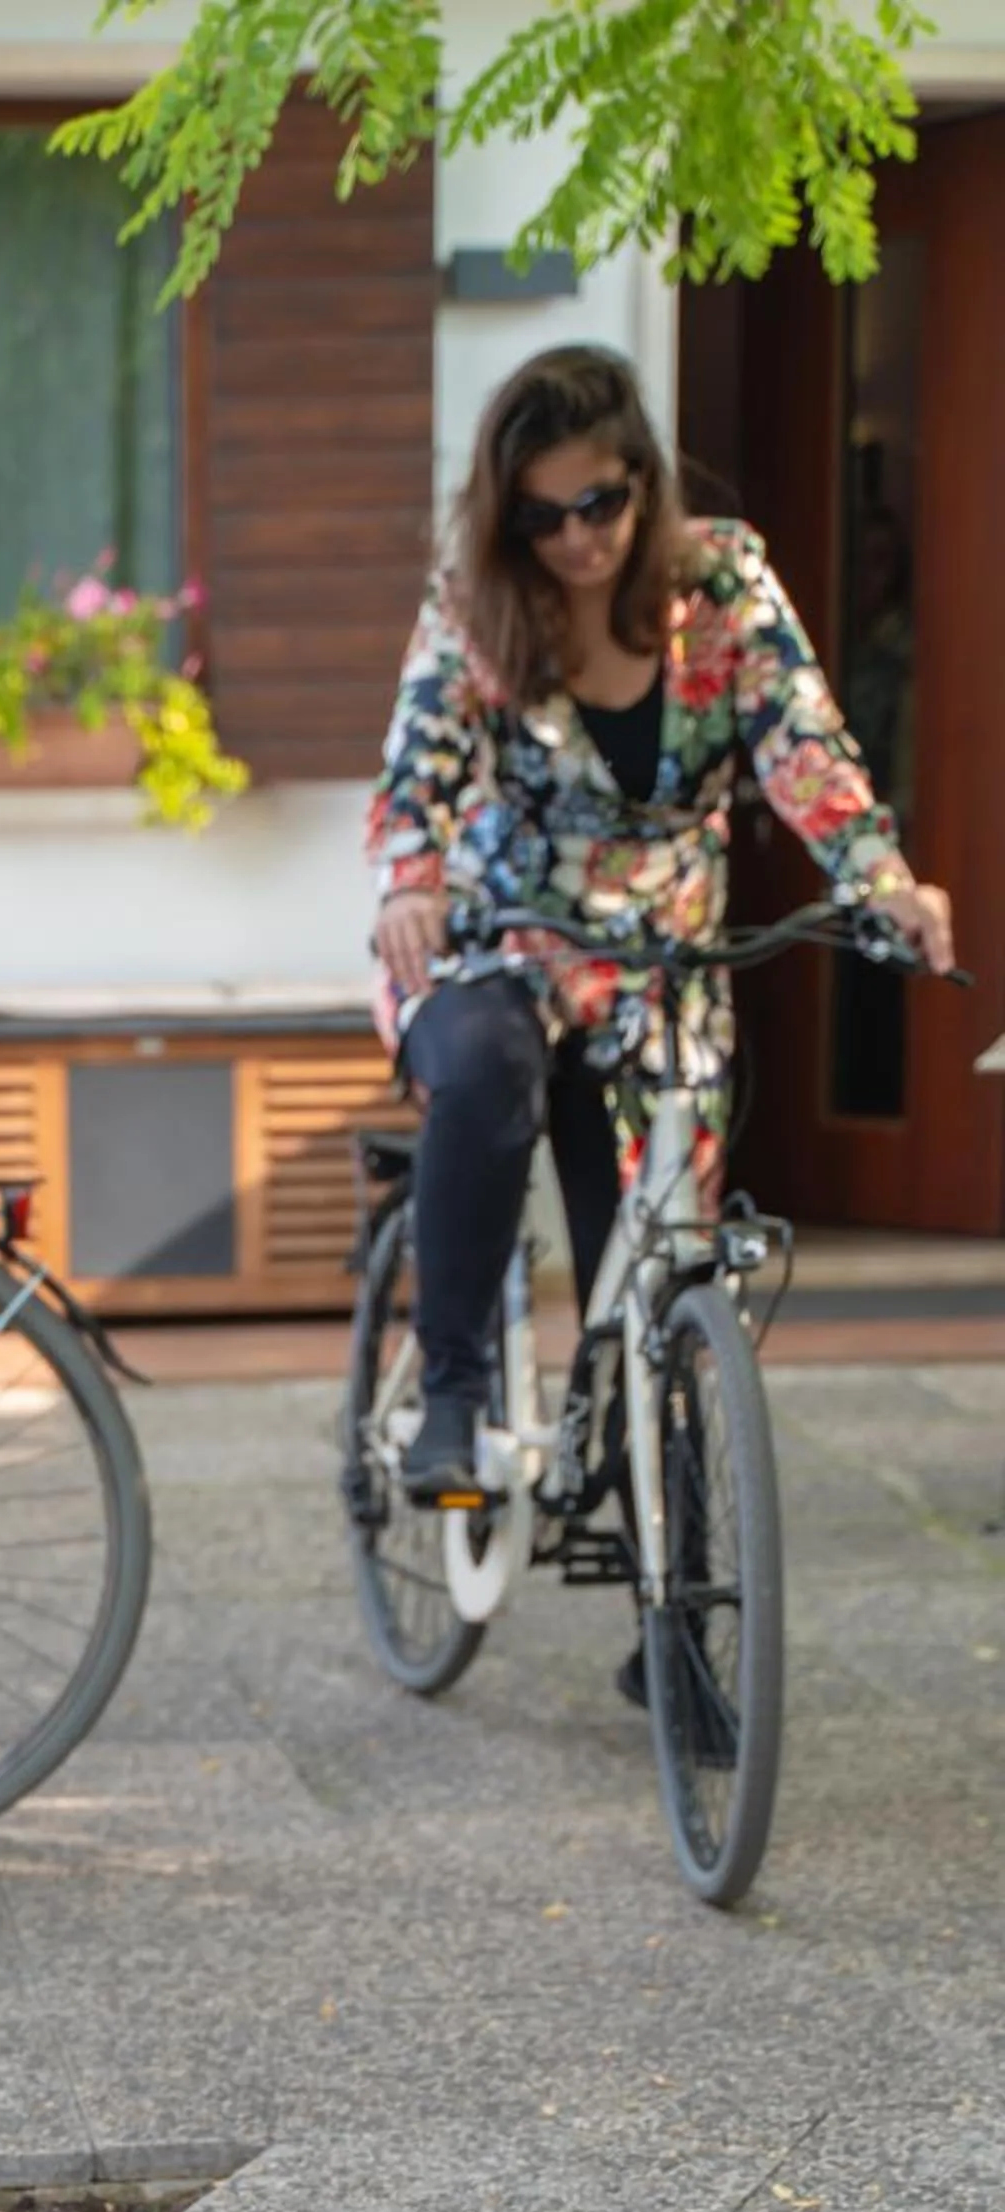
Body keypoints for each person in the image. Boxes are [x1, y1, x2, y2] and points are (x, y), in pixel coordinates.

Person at [367, 345, 955, 1558]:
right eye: (541, 516)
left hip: (659, 973)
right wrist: (408, 884)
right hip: (499, 939)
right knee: (485, 1080)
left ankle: (676, 1613)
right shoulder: (474, 596)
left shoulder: (723, 582)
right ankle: (454, 1391)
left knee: (658, 1278)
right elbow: (417, 758)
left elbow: (802, 744)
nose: (576, 539)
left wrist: (878, 882)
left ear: (643, 484)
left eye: (599, 504)